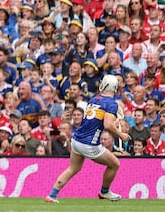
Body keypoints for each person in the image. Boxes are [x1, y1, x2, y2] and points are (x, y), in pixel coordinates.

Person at [46, 74, 130, 203]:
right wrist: (121, 135)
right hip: (89, 144)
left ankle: (52, 195)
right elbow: (107, 125)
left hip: (76, 139)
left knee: (72, 169)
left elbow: (99, 119)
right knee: (114, 164)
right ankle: (104, 191)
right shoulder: (111, 104)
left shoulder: (94, 99)